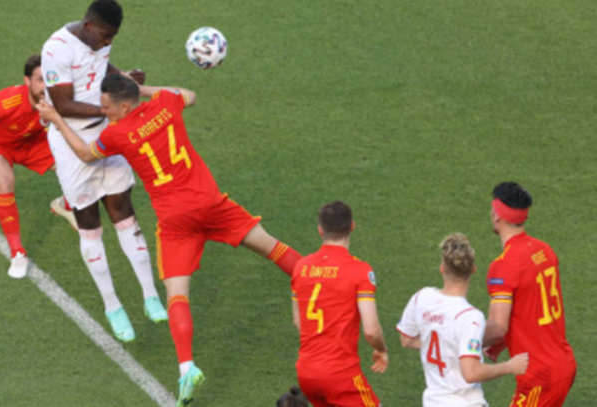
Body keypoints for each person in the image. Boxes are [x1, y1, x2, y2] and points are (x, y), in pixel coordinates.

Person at [36, 74, 302, 407]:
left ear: (124, 106)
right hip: (211, 203)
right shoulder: (165, 104)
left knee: (177, 295)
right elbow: (189, 94)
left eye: (107, 106)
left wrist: (57, 119)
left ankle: (187, 367)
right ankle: (316, 282)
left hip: (176, 221)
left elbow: (85, 155)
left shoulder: (117, 134)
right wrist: (144, 88)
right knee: (271, 247)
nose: (102, 111)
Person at [41, 0, 166, 342]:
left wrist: (122, 80)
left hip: (107, 132)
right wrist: (108, 107)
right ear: (89, 26)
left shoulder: (96, 40)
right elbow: (63, 104)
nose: (107, 42)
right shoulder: (57, 49)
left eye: (113, 38)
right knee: (89, 222)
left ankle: (150, 295)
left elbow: (101, 65)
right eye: (105, 36)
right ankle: (113, 306)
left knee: (124, 210)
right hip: (71, 141)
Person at [0, 54, 76, 278]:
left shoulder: (58, 97)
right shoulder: (5, 102)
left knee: (76, 166)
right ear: (27, 81)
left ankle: (64, 204)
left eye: (50, 78)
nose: (46, 85)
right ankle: (17, 253)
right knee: (5, 182)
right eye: (39, 80)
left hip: (31, 142)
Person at [397, 233, 528, 406]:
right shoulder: (470, 317)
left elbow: (406, 340)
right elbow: (471, 373)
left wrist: (448, 344)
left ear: (442, 268)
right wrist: (510, 366)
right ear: (473, 270)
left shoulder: (421, 298)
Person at [483, 182, 576, 406]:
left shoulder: (503, 266)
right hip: (561, 362)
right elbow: (530, 306)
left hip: (539, 377)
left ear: (497, 215)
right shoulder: (545, 250)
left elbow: (497, 327)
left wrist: (461, 343)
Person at [291, 201, 387, 407]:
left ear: (320, 230)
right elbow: (371, 331)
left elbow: (299, 322)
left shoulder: (300, 268)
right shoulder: (359, 271)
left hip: (307, 374)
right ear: (352, 226)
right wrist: (382, 349)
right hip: (340, 374)